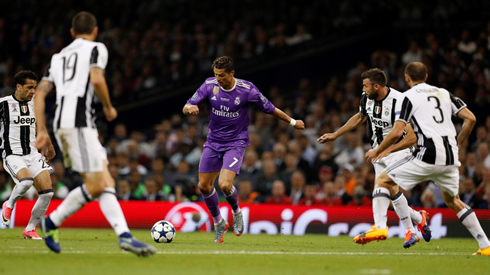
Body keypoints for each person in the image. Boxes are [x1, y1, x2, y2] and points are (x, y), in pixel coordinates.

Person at [34, 12, 155, 256]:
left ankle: (54, 223)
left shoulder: (58, 57)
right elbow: (97, 79)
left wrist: (42, 131)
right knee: (99, 183)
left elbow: (39, 93)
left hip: (70, 123)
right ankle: (122, 236)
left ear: (71, 32)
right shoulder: (96, 48)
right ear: (96, 31)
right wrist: (109, 107)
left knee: (103, 183)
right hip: (77, 123)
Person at [365, 62, 490, 255]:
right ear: (426, 76)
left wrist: (378, 150)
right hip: (449, 156)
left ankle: (380, 226)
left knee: (382, 180)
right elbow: (470, 118)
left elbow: (398, 131)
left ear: (407, 78)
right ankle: (485, 246)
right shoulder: (444, 93)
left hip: (427, 154)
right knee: (454, 201)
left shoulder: (407, 97)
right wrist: (458, 143)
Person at [183, 56, 304, 243]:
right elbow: (187, 105)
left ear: (232, 73)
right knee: (203, 186)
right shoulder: (209, 85)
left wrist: (293, 122)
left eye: (221, 75)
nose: (217, 79)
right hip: (213, 142)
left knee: (224, 184)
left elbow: (270, 108)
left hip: (235, 143)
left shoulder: (247, 90)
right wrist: (190, 108)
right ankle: (219, 223)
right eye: (215, 74)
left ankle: (237, 211)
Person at [318, 68, 431, 244]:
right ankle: (418, 218)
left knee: (386, 187)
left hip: (399, 150)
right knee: (388, 195)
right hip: (378, 153)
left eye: (365, 86)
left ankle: (404, 231)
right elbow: (360, 117)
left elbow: (411, 136)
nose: (363, 90)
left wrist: (385, 150)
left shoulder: (400, 101)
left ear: (377, 86)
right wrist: (335, 134)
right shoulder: (367, 98)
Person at [0, 71, 56, 239]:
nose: (33, 91)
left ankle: (30, 229)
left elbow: (41, 126)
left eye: (35, 87)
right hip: (13, 154)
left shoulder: (34, 105)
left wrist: (50, 146)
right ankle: (9, 205)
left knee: (47, 193)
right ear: (19, 87)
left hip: (32, 154)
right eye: (30, 87)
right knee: (26, 182)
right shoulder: (3, 104)